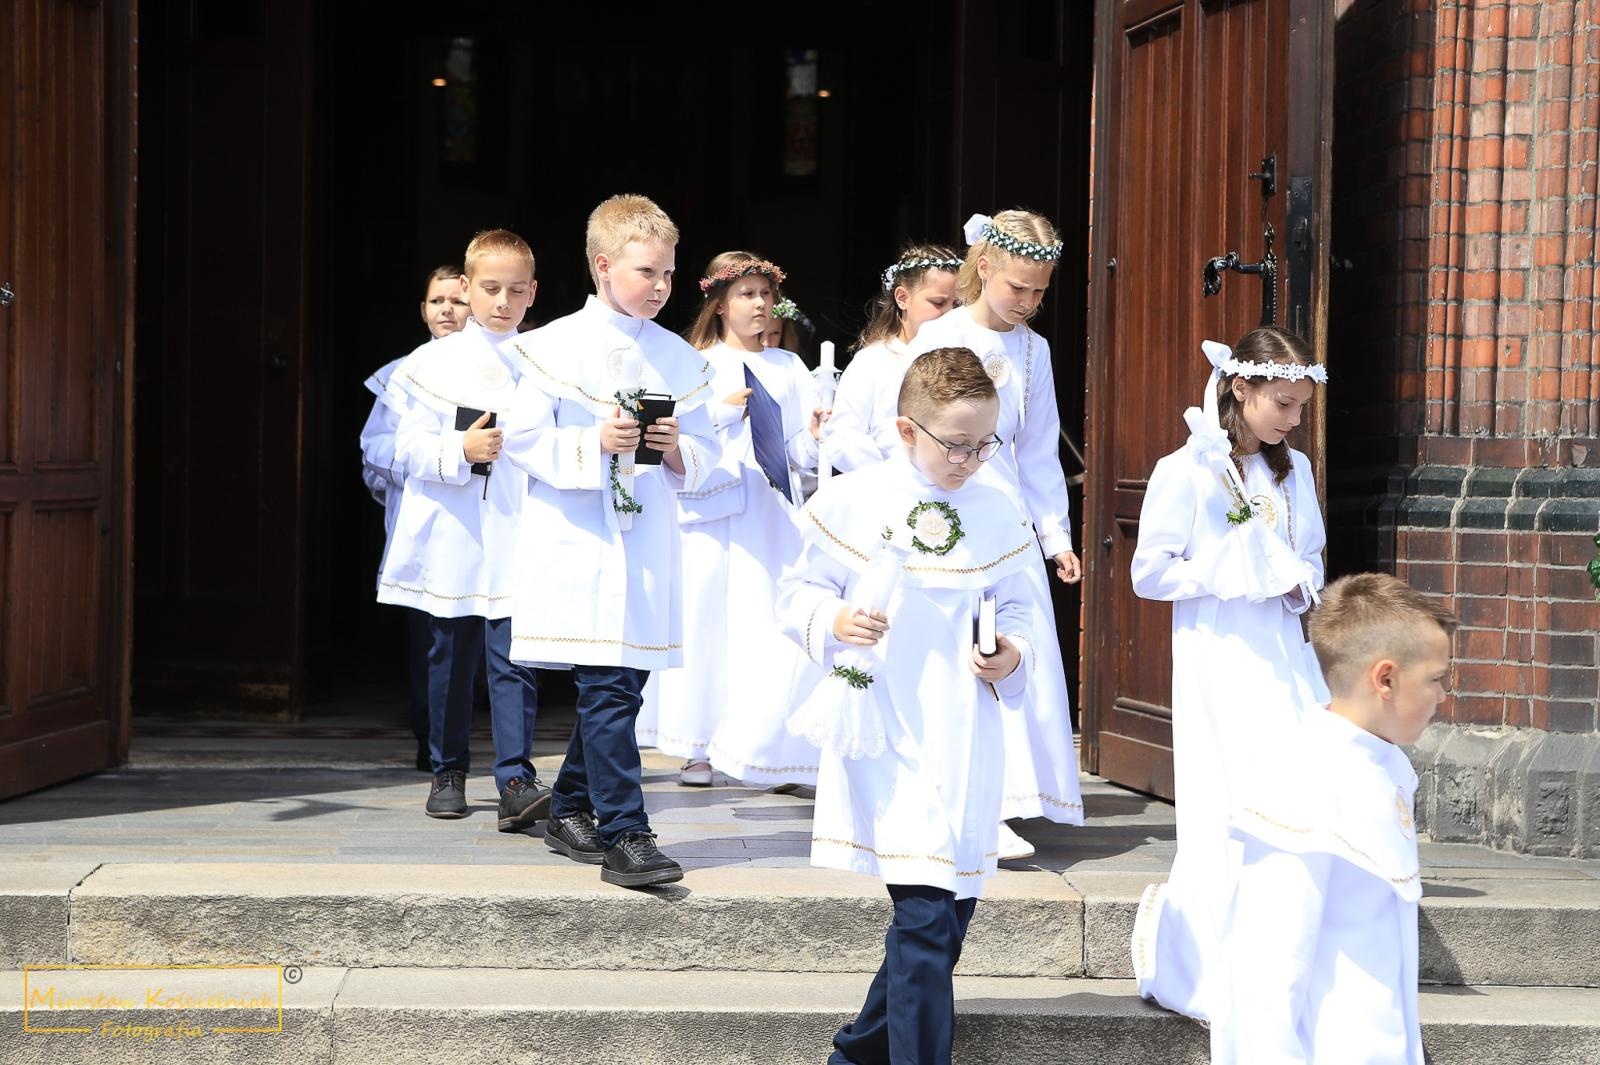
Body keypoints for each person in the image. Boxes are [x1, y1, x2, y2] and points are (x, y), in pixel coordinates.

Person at [778, 347, 1037, 1065]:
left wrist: (1010, 653)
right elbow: (795, 594)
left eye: (984, 443)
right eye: (956, 444)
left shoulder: (997, 505)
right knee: (923, 917)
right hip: (886, 726)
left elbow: (1021, 607)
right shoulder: (854, 500)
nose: (971, 459)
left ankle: (853, 1055)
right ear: (905, 429)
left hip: (966, 732)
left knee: (949, 917)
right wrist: (835, 622)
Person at [501, 194, 721, 888]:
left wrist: (681, 449)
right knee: (605, 684)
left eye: (667, 274)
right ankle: (627, 832)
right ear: (603, 265)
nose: (660, 286)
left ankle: (568, 808)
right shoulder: (548, 348)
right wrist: (590, 441)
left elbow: (713, 451)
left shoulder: (679, 358)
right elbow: (522, 440)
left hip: (647, 535)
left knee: (622, 683)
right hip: (580, 537)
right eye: (645, 271)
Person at [1128, 326, 1329, 1024]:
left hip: (1280, 653)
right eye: (1281, 402)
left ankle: (1283, 961)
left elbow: (1312, 560)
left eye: (1301, 406)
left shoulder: (1292, 472)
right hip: (1218, 653)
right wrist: (1225, 571)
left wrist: (1291, 579)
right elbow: (1148, 572)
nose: (1292, 419)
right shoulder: (1186, 470)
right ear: (1239, 388)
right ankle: (1204, 965)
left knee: (1294, 798)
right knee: (1228, 801)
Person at [1206, 572, 1454, 1063]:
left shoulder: (1384, 765)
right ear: (1385, 679)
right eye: (1435, 680)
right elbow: (1267, 975)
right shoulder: (1304, 781)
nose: (1443, 696)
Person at [906, 211, 1084, 859]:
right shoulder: (941, 334)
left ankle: (1006, 796)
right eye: (1019, 288)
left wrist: (1054, 535)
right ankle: (960, 794)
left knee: (1006, 646)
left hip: (1008, 518)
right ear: (985, 268)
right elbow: (912, 426)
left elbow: (1038, 450)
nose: (1030, 303)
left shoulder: (1033, 351)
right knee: (956, 651)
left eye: (1040, 292)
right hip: (950, 508)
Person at [377, 231, 546, 829]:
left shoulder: (546, 361)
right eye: (491, 289)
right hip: (454, 526)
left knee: (514, 655)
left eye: (516, 290)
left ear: (533, 293)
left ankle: (515, 778)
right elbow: (403, 446)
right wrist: (460, 449)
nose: (503, 302)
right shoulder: (430, 363)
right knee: (450, 652)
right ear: (467, 289)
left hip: (519, 525)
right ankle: (447, 767)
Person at [634, 252, 821, 789]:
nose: (760, 304)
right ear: (719, 304)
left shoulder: (788, 367)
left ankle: (767, 747)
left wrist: (815, 432)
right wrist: (719, 412)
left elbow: (796, 454)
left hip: (768, 510)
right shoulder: (695, 361)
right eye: (747, 294)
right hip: (710, 512)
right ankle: (697, 746)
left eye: (766, 294)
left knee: (764, 624)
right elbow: (666, 432)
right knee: (709, 622)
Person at [360, 265, 470, 770]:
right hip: (425, 522)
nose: (446, 309)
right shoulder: (403, 372)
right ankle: (433, 745)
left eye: (457, 300)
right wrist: (433, 460)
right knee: (431, 641)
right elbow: (375, 448)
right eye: (436, 301)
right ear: (423, 310)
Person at [823, 244, 962, 473]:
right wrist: (889, 476)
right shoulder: (873, 362)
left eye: (956, 305)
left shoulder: (964, 360)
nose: (949, 313)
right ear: (902, 298)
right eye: (938, 303)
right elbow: (842, 436)